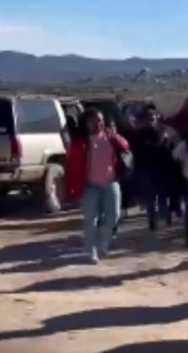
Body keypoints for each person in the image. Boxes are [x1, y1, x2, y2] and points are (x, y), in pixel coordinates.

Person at [64, 109, 130, 264]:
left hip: (111, 182)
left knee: (113, 216)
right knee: (90, 220)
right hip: (90, 186)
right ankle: (91, 251)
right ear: (86, 123)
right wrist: (70, 190)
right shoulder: (80, 142)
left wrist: (115, 136)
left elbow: (126, 146)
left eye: (100, 120)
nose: (98, 124)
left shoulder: (110, 137)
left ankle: (103, 243)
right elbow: (72, 167)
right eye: (94, 121)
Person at [130, 104, 169, 231]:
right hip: (146, 170)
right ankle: (152, 220)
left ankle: (164, 214)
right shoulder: (140, 134)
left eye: (154, 117)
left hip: (160, 169)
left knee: (163, 195)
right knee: (150, 197)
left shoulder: (161, 132)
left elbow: (166, 152)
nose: (152, 120)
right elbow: (139, 152)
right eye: (150, 117)